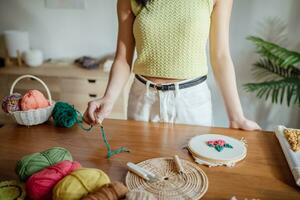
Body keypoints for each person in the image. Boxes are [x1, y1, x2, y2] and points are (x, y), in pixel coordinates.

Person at [83, 0, 261, 131]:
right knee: (142, 174)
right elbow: (123, 59)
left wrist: (236, 116)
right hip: (142, 100)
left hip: (191, 102)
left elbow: (220, 56)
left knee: (193, 175)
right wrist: (108, 98)